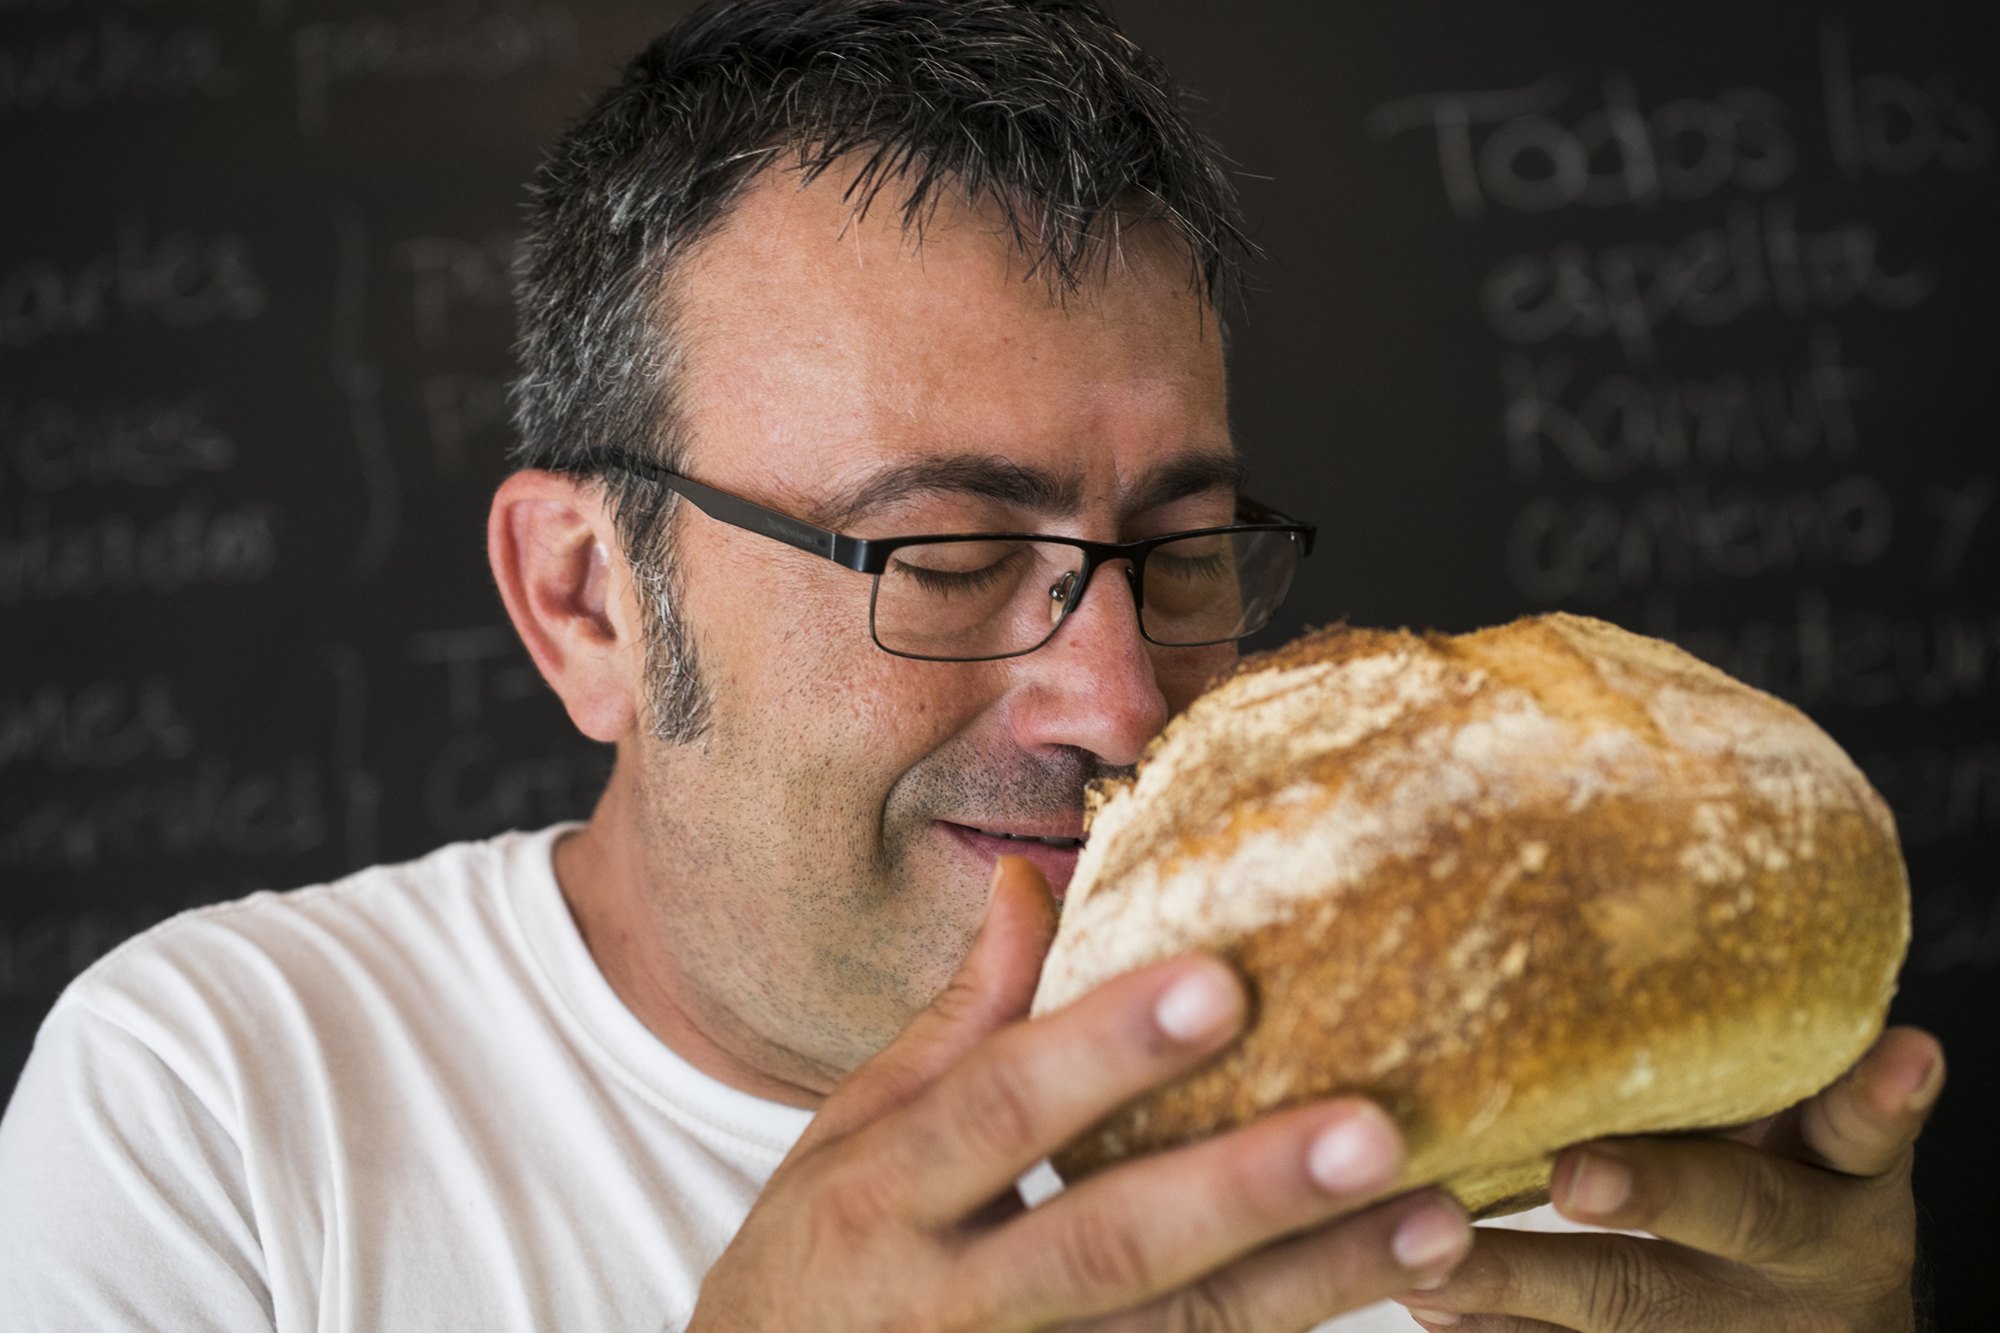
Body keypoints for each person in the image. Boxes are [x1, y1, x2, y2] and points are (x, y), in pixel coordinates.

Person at [0, 1, 1945, 1329]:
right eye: (938, 552)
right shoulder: (225, 1102)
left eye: (1180, 549)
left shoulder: (1477, 1120)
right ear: (587, 600)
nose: (1116, 697)